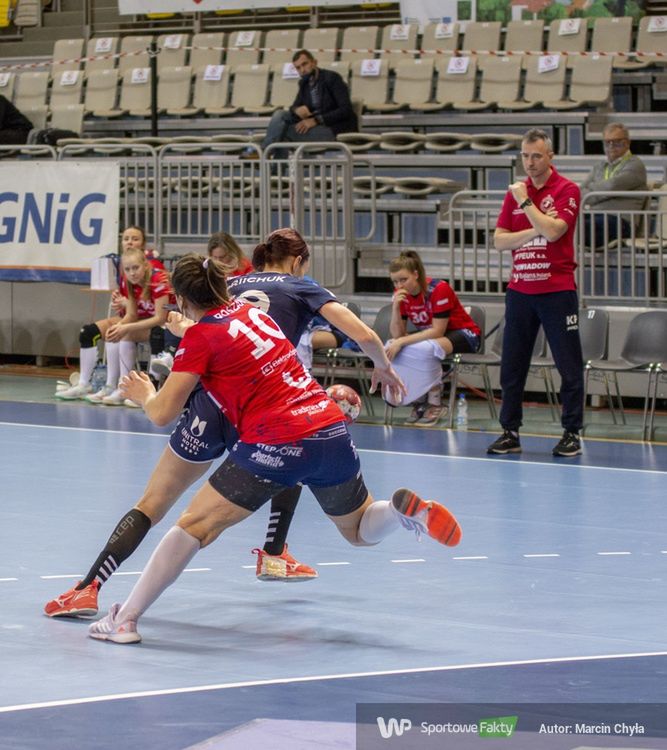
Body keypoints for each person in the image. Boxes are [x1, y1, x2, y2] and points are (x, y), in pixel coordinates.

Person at [86, 252, 461, 644]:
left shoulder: (199, 338)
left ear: (180, 299)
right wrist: (190, 330)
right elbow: (227, 335)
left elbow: (163, 413)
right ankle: (398, 512)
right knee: (359, 528)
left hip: (277, 439)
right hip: (328, 426)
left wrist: (144, 393)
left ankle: (124, 620)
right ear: (223, 285)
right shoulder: (254, 315)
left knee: (193, 526)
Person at [43, 229, 404, 619]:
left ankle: (89, 589)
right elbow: (363, 333)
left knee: (154, 504)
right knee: (290, 458)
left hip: (210, 406)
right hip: (263, 407)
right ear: (298, 261)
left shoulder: (231, 286)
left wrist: (159, 371)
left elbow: (204, 339)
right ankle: (273, 552)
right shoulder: (297, 288)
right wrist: (383, 366)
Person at [487, 128, 584, 458]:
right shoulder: (514, 193)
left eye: (537, 156)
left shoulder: (566, 189)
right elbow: (499, 241)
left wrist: (527, 203)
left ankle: (571, 433)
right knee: (512, 365)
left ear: (550, 156)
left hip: (557, 290)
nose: (529, 162)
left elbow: (555, 232)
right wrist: (535, 228)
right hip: (520, 291)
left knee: (568, 365)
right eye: (525, 156)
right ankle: (510, 431)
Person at [55, 226, 172, 405]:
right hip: (140, 320)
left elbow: (160, 318)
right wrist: (119, 326)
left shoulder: (157, 279)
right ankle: (109, 386)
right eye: (128, 269)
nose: (132, 272)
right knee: (108, 332)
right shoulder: (128, 279)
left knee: (126, 333)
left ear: (144, 264)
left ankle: (140, 389)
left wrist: (124, 327)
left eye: (135, 268)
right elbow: (131, 314)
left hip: (163, 324)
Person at [385, 251, 481, 427]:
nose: (399, 285)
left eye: (403, 279)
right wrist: (395, 308)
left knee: (426, 349)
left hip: (465, 334)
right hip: (434, 337)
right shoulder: (401, 295)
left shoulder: (439, 289)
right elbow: (397, 335)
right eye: (395, 281)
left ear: (416, 274)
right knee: (391, 345)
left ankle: (435, 402)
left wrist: (402, 341)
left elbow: (437, 331)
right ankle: (419, 400)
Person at [149, 231, 252, 378]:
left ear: (232, 253)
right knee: (174, 319)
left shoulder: (245, 268)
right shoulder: (207, 268)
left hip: (227, 311)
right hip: (212, 310)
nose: (219, 261)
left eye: (223, 257)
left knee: (191, 327)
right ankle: (169, 354)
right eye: (215, 258)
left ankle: (171, 354)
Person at [261, 49, 357, 158]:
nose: (302, 70)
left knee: (282, 132)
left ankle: (264, 154)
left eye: (304, 64)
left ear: (314, 62)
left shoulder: (332, 78)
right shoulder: (304, 83)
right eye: (298, 68)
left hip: (334, 129)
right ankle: (267, 157)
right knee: (280, 114)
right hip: (316, 128)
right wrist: (296, 109)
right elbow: (294, 106)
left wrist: (316, 120)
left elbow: (345, 110)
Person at [580, 122, 648, 247]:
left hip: (620, 221)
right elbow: (580, 190)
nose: (611, 146)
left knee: (579, 228)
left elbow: (611, 187)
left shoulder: (635, 164)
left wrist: (590, 194)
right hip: (595, 215)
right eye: (607, 142)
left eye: (617, 142)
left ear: (627, 143)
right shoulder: (599, 166)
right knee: (561, 222)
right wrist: (595, 193)